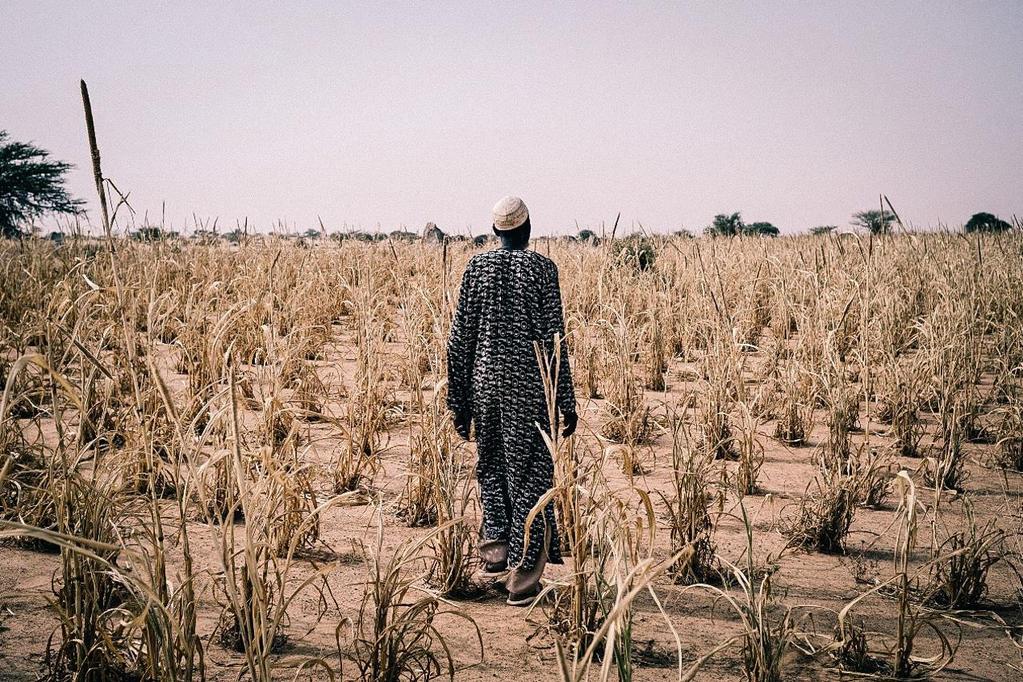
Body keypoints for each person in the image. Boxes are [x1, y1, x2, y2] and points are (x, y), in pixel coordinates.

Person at [446, 195, 578, 606]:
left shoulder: (475, 267)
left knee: (492, 465)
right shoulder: (541, 269)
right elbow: (554, 341)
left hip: (484, 384)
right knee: (532, 476)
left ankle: (495, 554)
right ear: (527, 229)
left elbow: (458, 341)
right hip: (528, 386)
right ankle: (522, 580)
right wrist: (565, 401)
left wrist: (458, 401)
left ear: (495, 232)